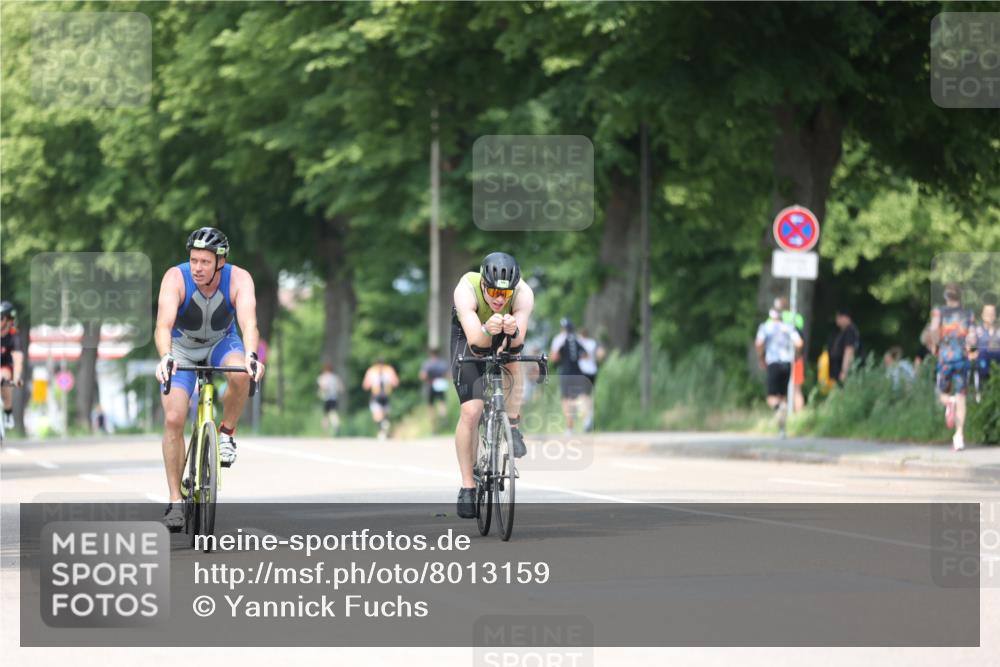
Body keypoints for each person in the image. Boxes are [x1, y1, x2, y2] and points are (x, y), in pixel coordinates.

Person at [154, 227, 265, 531]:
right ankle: (175, 501)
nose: (198, 268)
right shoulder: (175, 278)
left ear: (220, 261)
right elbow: (163, 325)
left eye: (205, 261)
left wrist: (251, 355)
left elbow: (249, 323)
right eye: (194, 260)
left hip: (221, 343)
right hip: (181, 349)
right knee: (174, 418)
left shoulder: (239, 279)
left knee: (241, 373)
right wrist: (166, 356)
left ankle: (226, 433)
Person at [451, 252, 535, 519]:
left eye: (505, 294)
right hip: (470, 336)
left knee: (513, 362)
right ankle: (468, 486)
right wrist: (487, 329)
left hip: (502, 333)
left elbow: (517, 346)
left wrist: (513, 331)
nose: (500, 299)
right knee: (472, 411)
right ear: (483, 285)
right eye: (494, 292)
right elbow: (477, 344)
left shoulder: (523, 294)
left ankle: (512, 426)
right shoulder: (466, 290)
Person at [929, 283, 976, 451]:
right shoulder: (968, 313)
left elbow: (934, 330)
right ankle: (959, 436)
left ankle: (949, 402)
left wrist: (936, 345)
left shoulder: (939, 312)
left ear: (946, 296)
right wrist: (970, 349)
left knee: (942, 393)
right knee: (961, 396)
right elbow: (972, 338)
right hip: (962, 358)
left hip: (945, 358)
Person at [755, 308, 803, 436]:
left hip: (773, 363)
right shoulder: (788, 327)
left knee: (771, 398)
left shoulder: (765, 327)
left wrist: (761, 357)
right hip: (787, 363)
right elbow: (799, 343)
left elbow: (759, 343)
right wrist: (797, 356)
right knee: (782, 396)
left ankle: (779, 408)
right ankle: (782, 429)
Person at [550, 317, 589, 433]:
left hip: (565, 373)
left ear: (563, 328)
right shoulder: (577, 338)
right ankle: (586, 418)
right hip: (578, 372)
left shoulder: (559, 339)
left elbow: (554, 357)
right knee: (579, 396)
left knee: (566, 400)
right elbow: (586, 355)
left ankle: (570, 428)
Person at [775, 297, 806, 411]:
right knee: (797, 389)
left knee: (780, 389)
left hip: (781, 359)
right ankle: (799, 415)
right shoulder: (797, 317)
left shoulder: (775, 318)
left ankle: (781, 414)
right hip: (797, 357)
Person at [0, 301, 25, 430]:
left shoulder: (14, 336)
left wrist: (16, 378)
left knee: (3, 378)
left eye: (1, 318)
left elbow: (18, 360)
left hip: (6, 367)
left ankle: (8, 412)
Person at [576, 326, 605, 432]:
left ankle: (587, 419)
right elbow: (601, 354)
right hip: (593, 371)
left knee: (582, 396)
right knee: (588, 395)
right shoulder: (593, 342)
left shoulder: (578, 342)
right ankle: (589, 416)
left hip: (582, 371)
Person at [362, 357, 399, 439]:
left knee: (377, 415)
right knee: (384, 414)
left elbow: (365, 385)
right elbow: (396, 383)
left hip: (376, 395)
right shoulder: (389, 370)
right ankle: (384, 427)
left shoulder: (371, 371)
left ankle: (381, 430)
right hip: (385, 395)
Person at [972, 301, 1000, 399]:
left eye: (992, 313)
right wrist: (973, 353)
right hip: (982, 367)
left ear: (995, 315)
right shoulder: (976, 331)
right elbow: (971, 348)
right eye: (987, 313)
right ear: (982, 315)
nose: (990, 315)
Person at [829, 308, 861, 385]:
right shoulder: (845, 331)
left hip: (841, 370)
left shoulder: (850, 331)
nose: (837, 320)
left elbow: (849, 350)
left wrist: (844, 371)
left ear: (845, 317)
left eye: (838, 317)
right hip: (837, 368)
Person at [420, 347, 451, 422]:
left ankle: (433, 422)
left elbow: (423, 376)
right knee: (442, 402)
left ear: (430, 353)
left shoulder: (427, 363)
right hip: (441, 384)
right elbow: (448, 375)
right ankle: (444, 419)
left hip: (431, 384)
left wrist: (427, 380)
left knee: (431, 405)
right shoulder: (442, 363)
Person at [316, 364, 344, 435]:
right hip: (334, 398)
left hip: (326, 398)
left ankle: (325, 431)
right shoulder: (335, 377)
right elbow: (341, 388)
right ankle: (336, 426)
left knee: (325, 415)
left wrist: (320, 392)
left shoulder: (322, 377)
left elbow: (323, 387)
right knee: (333, 413)